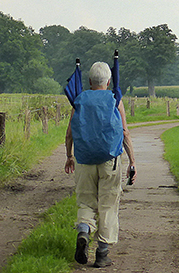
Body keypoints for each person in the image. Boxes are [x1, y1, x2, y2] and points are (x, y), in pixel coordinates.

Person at [65, 61, 136, 267]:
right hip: (109, 162)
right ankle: (102, 254)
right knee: (108, 205)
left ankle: (84, 232)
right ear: (109, 81)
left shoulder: (79, 100)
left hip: (84, 160)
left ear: (89, 81)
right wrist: (132, 161)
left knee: (85, 201)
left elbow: (70, 133)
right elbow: (124, 133)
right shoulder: (115, 99)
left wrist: (69, 156)